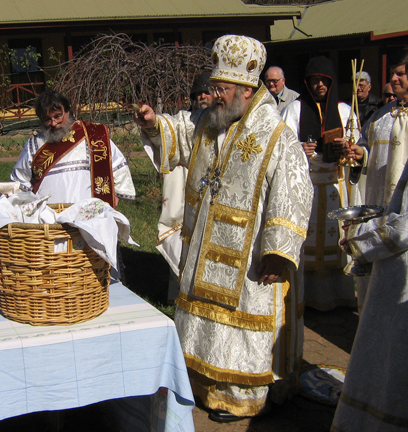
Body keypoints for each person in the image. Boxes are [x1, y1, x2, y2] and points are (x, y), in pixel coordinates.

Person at [134, 34, 313, 422]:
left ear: (247, 90)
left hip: (251, 255)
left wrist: (278, 251)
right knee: (203, 320)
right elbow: (180, 132)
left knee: (243, 320)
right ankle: (202, 383)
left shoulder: (276, 135)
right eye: (214, 87)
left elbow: (294, 192)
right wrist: (153, 124)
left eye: (222, 89)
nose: (215, 95)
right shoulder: (209, 121)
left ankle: (241, 395)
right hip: (204, 242)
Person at [331, 154, 408, 432]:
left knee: (393, 361)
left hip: (403, 277)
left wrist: (360, 237)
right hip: (396, 268)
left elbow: (405, 229)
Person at [281, 56, 358, 312]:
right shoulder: (294, 110)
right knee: (307, 241)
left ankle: (339, 296)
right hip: (307, 186)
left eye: (324, 80)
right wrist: (298, 148)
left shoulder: (344, 111)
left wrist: (347, 148)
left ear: (331, 82)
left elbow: (357, 147)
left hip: (336, 186)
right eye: (314, 81)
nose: (320, 85)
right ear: (307, 83)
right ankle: (308, 298)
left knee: (338, 240)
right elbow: (281, 145)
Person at [343, 49, 408, 309]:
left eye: (400, 74)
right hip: (378, 208)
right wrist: (361, 154)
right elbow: (366, 147)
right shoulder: (381, 116)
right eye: (392, 73)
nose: (393, 79)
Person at [11, 91, 136, 208]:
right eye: (47, 119)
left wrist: (112, 199)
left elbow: (118, 166)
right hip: (47, 216)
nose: (53, 123)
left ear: (68, 112)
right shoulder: (33, 145)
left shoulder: (93, 135)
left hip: (88, 214)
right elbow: (20, 181)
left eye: (58, 116)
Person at [158, 71, 216, 303]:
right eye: (197, 93)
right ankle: (179, 295)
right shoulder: (186, 124)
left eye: (206, 92)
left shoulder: (222, 124)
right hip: (184, 193)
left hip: (210, 194)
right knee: (181, 241)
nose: (202, 97)